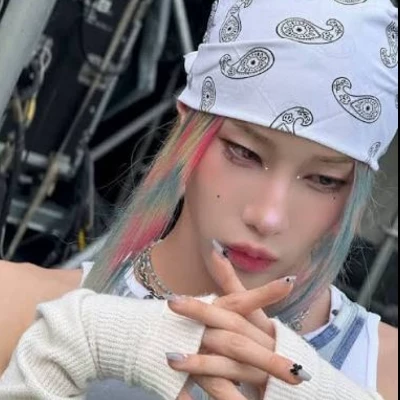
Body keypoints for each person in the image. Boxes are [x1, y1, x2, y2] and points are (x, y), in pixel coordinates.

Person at [0, 0, 398, 399]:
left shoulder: (385, 371)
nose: (268, 216)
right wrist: (79, 343)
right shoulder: (18, 306)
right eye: (243, 152)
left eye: (324, 179)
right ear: (186, 124)